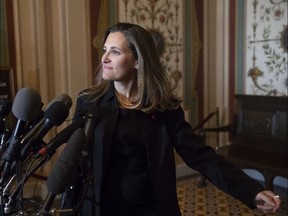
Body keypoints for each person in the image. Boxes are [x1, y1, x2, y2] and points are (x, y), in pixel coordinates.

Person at [61, 22, 281, 216]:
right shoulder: (89, 101)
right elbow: (75, 163)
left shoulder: (165, 107)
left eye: (115, 52)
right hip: (99, 207)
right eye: (105, 49)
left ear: (138, 61)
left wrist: (252, 191)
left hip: (149, 209)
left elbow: (202, 157)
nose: (104, 58)